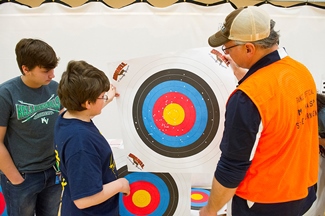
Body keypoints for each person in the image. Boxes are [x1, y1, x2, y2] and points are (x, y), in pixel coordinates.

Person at [200, 6, 319, 216]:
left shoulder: (247, 98)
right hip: (302, 193)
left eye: (228, 48)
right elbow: (278, 111)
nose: (226, 53)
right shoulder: (300, 71)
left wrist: (210, 210)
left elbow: (231, 167)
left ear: (248, 49)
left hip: (262, 203)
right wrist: (244, 75)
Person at [54, 60, 130, 215]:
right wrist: (121, 184)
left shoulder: (65, 117)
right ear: (87, 103)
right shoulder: (81, 142)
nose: (104, 98)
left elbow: (86, 112)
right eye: (101, 97)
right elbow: (84, 200)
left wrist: (105, 99)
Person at [0, 38, 62, 216]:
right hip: (23, 176)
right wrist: (15, 179)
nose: (52, 75)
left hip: (53, 173)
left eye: (52, 69)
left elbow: (70, 120)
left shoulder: (55, 89)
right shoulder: (5, 94)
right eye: (45, 71)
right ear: (25, 69)